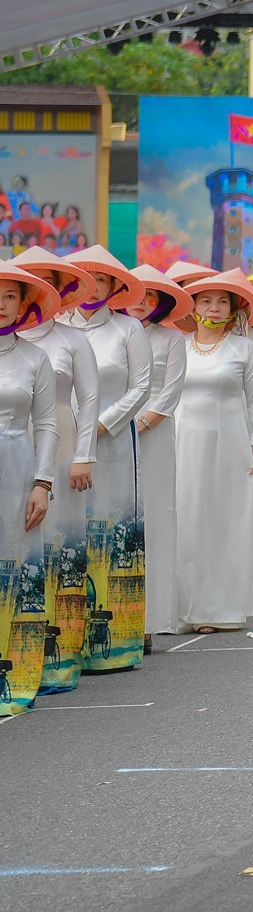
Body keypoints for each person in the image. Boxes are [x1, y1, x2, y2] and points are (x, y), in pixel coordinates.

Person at [61, 246, 150, 672]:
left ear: (115, 286)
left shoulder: (128, 329)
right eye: (85, 278)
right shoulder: (58, 328)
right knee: (69, 530)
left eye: (101, 279)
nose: (92, 287)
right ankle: (65, 641)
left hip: (112, 443)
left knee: (112, 528)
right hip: (64, 443)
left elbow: (141, 387)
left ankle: (116, 645)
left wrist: (99, 425)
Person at [13, 248, 97, 691]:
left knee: (62, 543)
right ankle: (20, 652)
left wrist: (84, 454)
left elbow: (90, 398)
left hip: (59, 442)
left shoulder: (71, 339)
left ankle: (61, 658)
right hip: (12, 444)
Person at [175, 270, 253, 633]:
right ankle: (181, 609)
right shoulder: (178, 346)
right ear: (193, 307)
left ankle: (219, 609)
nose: (213, 308)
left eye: (222, 302)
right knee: (187, 520)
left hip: (230, 445)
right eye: (205, 301)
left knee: (224, 522)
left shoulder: (245, 348)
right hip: (183, 443)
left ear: (234, 309)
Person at [0, 262, 60, 716]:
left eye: (9, 296)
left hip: (17, 469)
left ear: (23, 305)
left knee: (16, 565)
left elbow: (48, 424)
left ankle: (15, 677)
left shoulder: (35, 358)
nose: (0, 305)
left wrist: (42, 483)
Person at [125, 267, 189, 638]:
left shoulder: (171, 338)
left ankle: (152, 619)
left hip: (154, 433)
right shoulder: (116, 332)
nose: (141, 302)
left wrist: (142, 424)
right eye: (135, 293)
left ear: (161, 301)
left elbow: (171, 391)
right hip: (112, 432)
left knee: (155, 516)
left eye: (149, 296)